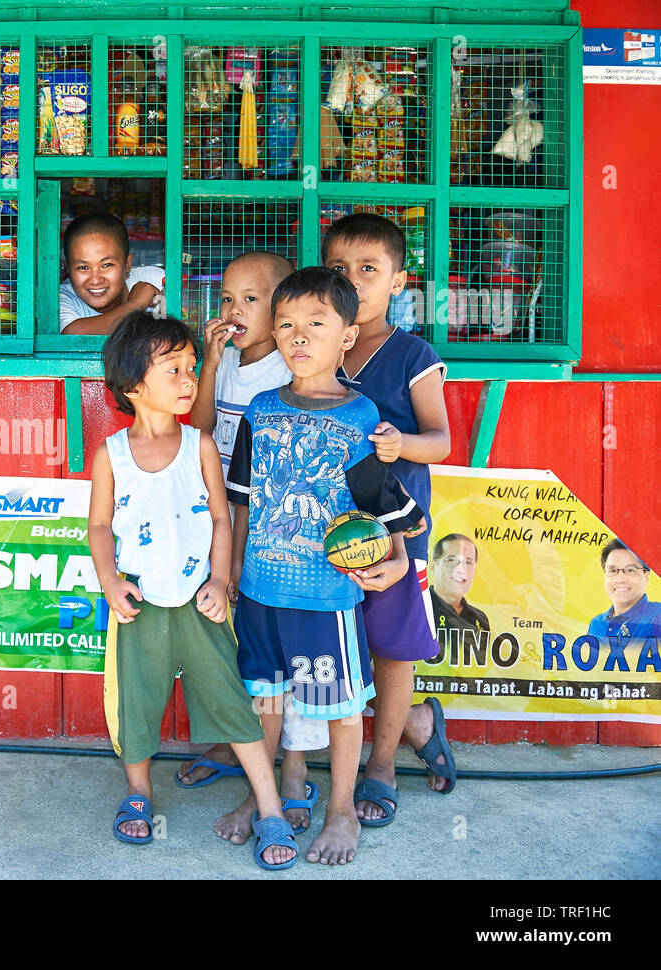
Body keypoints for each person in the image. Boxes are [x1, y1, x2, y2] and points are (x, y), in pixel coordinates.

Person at [89, 310, 298, 870]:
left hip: (202, 603)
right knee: (136, 704)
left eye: (191, 366)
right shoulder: (110, 456)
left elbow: (223, 518)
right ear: (133, 386)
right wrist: (110, 582)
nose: (189, 379)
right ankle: (139, 792)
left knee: (235, 702)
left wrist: (221, 577)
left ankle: (270, 806)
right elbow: (100, 527)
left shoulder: (199, 443)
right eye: (175, 369)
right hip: (138, 608)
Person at [225, 266, 420, 865]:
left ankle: (339, 811)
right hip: (260, 590)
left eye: (315, 323)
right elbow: (241, 502)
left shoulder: (360, 418)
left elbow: (385, 510)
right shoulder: (260, 409)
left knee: (337, 708)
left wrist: (399, 559)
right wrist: (230, 572)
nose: (298, 336)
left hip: (325, 597)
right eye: (285, 325)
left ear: (346, 336)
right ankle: (268, 804)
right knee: (266, 700)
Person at [178, 250, 325, 835]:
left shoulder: (285, 373)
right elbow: (206, 429)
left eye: (251, 300)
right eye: (226, 300)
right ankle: (239, 747)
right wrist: (211, 362)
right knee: (241, 653)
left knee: (288, 661)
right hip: (227, 520)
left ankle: (292, 769)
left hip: (277, 534)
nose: (234, 311)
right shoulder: (235, 363)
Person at [323, 213, 457, 824]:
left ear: (398, 282)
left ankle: (381, 764)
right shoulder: (319, 340)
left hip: (396, 527)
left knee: (391, 648)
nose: (352, 281)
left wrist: (398, 445)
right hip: (328, 526)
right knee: (334, 640)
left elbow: (441, 440)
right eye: (338, 270)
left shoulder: (411, 353)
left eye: (368, 271)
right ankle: (405, 729)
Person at [59, 213, 164, 335]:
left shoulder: (155, 279)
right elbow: (72, 335)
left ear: (127, 264)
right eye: (83, 267)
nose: (95, 280)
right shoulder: (63, 298)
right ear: (68, 269)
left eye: (107, 265)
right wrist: (136, 305)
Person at [429, 533, 490, 657]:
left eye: (468, 563)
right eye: (451, 560)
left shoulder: (480, 619)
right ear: (433, 567)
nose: (460, 570)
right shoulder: (416, 610)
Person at [588, 540, 661, 640]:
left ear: (646, 576)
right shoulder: (596, 624)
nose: (620, 579)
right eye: (613, 571)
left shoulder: (658, 617)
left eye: (630, 570)